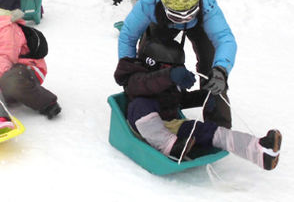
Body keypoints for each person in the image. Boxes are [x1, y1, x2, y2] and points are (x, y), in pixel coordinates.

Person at [114, 38, 282, 170]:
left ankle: (259, 150)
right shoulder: (136, 79)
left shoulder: (170, 85)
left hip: (172, 126)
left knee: (206, 131)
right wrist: (170, 75)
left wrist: (204, 96)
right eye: (170, 67)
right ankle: (169, 147)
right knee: (141, 105)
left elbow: (179, 101)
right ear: (154, 64)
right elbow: (146, 84)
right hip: (143, 129)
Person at [117, 0, 237, 129]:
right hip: (162, 21)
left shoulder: (206, 2)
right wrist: (129, 73)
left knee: (211, 64)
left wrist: (221, 71)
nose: (180, 21)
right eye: (176, 16)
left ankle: (217, 126)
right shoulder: (149, 0)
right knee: (149, 57)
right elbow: (127, 37)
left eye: (186, 15)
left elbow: (225, 39)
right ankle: (148, 104)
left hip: (198, 23)